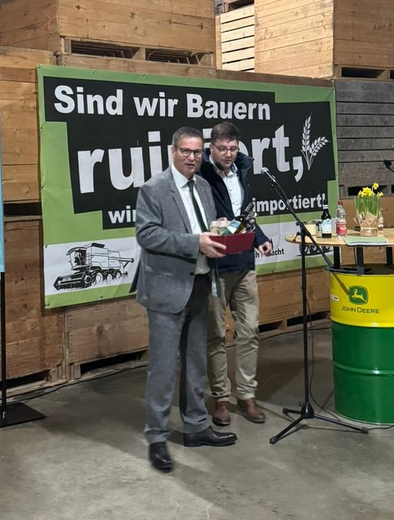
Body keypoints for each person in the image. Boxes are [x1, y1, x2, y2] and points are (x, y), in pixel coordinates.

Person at [134, 126, 237, 473]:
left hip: (201, 284)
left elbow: (203, 228)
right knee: (163, 368)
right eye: (185, 151)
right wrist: (196, 242)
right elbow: (147, 234)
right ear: (173, 151)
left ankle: (195, 427)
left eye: (197, 152)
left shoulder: (204, 186)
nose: (192, 158)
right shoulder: (154, 189)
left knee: (195, 363)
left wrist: (219, 233)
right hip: (166, 290)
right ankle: (157, 437)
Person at [197, 121, 272, 427]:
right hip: (215, 265)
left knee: (250, 330)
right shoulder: (200, 173)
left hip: (244, 264)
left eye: (233, 148)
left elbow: (245, 215)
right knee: (216, 334)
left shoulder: (243, 169)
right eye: (222, 149)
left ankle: (247, 395)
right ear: (211, 148)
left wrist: (260, 237)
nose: (228, 154)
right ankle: (221, 398)